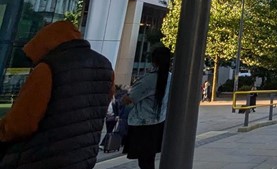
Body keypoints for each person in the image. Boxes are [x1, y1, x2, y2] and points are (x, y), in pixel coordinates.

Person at [0, 21, 114, 169]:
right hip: (83, 157)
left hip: (39, 157)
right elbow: (102, 106)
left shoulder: (48, 67)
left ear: (44, 43)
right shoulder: (105, 65)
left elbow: (22, 124)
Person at [122, 46, 172, 169]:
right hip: (159, 122)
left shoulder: (148, 79)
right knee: (149, 159)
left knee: (144, 161)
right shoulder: (170, 77)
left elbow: (130, 99)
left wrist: (124, 95)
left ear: (154, 61)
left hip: (142, 125)